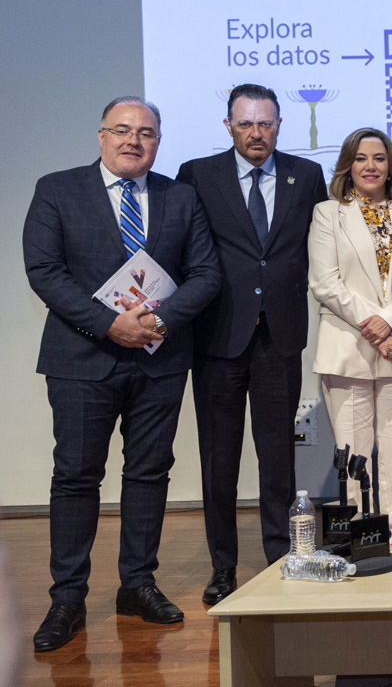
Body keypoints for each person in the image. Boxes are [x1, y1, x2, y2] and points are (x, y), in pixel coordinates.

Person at [24, 97, 220, 652]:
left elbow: (206, 274)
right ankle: (67, 598)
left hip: (159, 359)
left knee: (149, 473)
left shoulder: (181, 197)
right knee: (76, 477)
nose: (134, 140)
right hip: (80, 359)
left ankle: (137, 584)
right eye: (122, 130)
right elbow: (44, 270)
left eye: (146, 133)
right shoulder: (57, 189)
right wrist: (109, 324)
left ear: (158, 141)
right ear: (101, 135)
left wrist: (158, 321)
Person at [174, 83, 328, 605]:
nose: (255, 133)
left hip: (279, 337)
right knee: (219, 460)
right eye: (245, 123)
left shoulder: (306, 175)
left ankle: (282, 557)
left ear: (279, 125)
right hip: (217, 336)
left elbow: (321, 247)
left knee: (278, 456)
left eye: (265, 123)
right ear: (229, 126)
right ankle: (223, 567)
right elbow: (183, 248)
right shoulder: (198, 175)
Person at [308, 128, 392, 541]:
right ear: (348, 165)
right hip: (348, 348)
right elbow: (325, 283)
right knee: (353, 454)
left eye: (379, 158)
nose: (370, 166)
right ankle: (360, 540)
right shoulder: (328, 213)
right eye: (361, 158)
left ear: (390, 166)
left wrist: (391, 323)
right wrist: (378, 329)